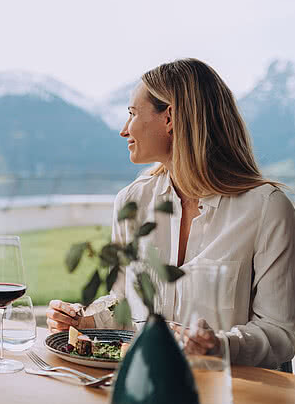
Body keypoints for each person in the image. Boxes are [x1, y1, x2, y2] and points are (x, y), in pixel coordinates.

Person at [47, 58, 295, 369]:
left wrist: (220, 345)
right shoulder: (132, 201)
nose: (125, 130)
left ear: (171, 117)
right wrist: (85, 320)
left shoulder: (268, 209)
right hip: (148, 384)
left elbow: (281, 332)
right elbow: (123, 299)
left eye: (133, 114)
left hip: (234, 397)